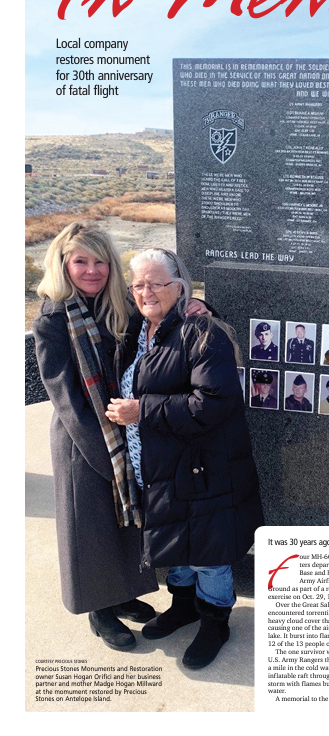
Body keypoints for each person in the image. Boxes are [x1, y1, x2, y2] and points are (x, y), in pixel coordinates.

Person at [106, 248, 264, 670]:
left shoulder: (202, 332)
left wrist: (143, 410)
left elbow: (212, 401)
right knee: (177, 545)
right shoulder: (136, 329)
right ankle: (184, 607)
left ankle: (215, 621)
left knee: (208, 552)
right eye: (138, 284)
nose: (147, 291)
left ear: (180, 286)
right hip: (155, 468)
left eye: (157, 282)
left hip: (199, 467)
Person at [33, 223, 160, 652]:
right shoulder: (53, 317)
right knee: (88, 527)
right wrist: (102, 454)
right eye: (81, 261)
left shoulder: (119, 306)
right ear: (64, 263)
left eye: (100, 261)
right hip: (81, 438)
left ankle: (123, 594)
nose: (91, 270)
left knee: (124, 520)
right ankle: (98, 610)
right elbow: (64, 394)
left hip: (124, 426)